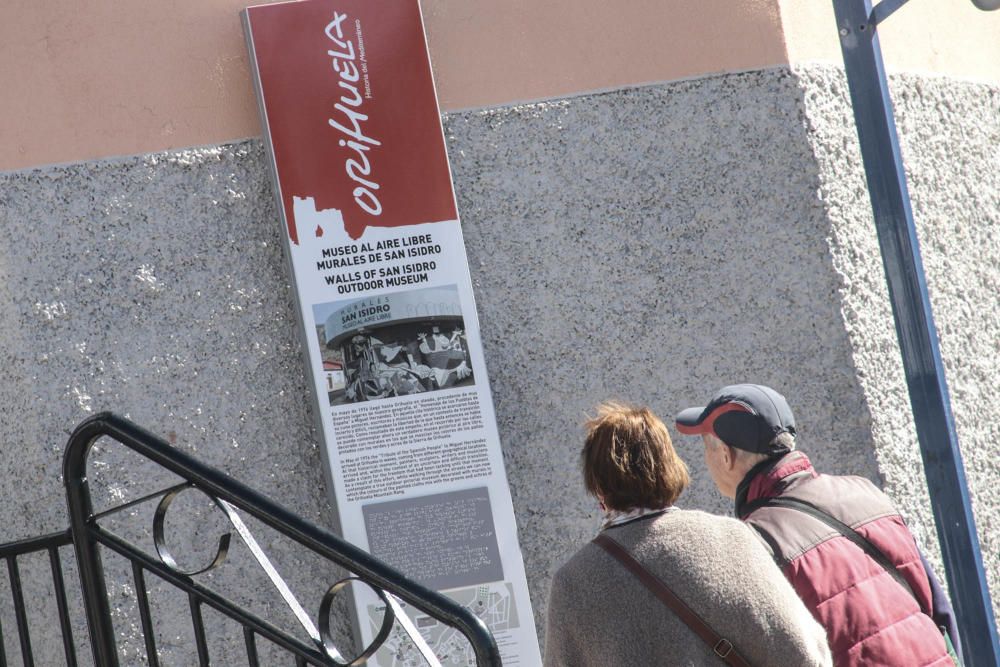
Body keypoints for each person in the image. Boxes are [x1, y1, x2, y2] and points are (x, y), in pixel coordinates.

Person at [675, 384, 962, 666]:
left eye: (706, 447)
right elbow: (938, 609)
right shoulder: (866, 492)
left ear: (726, 455)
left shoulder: (753, 542)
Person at [543, 402, 831, 667]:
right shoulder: (732, 538)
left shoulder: (573, 583)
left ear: (599, 490)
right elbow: (805, 652)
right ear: (670, 468)